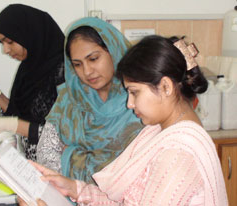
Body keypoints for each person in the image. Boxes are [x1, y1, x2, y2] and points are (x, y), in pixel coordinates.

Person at [21, 35, 228, 206]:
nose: (129, 103)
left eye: (134, 92)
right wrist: (75, 189)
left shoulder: (179, 153)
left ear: (166, 87)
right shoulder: (161, 132)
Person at [35, 17, 143, 183]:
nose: (87, 71)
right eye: (77, 64)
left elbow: (139, 167)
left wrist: (71, 155)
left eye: (93, 59)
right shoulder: (69, 98)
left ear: (113, 51)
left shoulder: (140, 95)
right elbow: (46, 153)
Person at [0, 4, 65, 161]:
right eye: (2, 43)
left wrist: (7, 125)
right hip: (34, 167)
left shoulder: (64, 71)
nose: (5, 50)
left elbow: (60, 137)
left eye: (9, 41)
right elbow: (20, 114)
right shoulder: (28, 69)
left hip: (60, 170)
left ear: (29, 34)